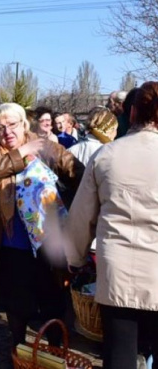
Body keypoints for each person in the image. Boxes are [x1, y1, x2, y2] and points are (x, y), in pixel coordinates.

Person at [0, 103, 84, 346]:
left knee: (53, 300)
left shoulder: (46, 146)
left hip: (49, 241)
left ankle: (55, 351)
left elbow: (77, 172)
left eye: (12, 125)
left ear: (23, 124)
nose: (7, 132)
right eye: (0, 128)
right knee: (16, 304)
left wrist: (72, 207)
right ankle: (19, 350)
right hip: (12, 244)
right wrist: (22, 151)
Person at [65, 82, 158, 369]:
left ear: (131, 113)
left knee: (119, 353)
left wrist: (75, 259)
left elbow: (81, 218)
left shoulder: (106, 155)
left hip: (119, 272)